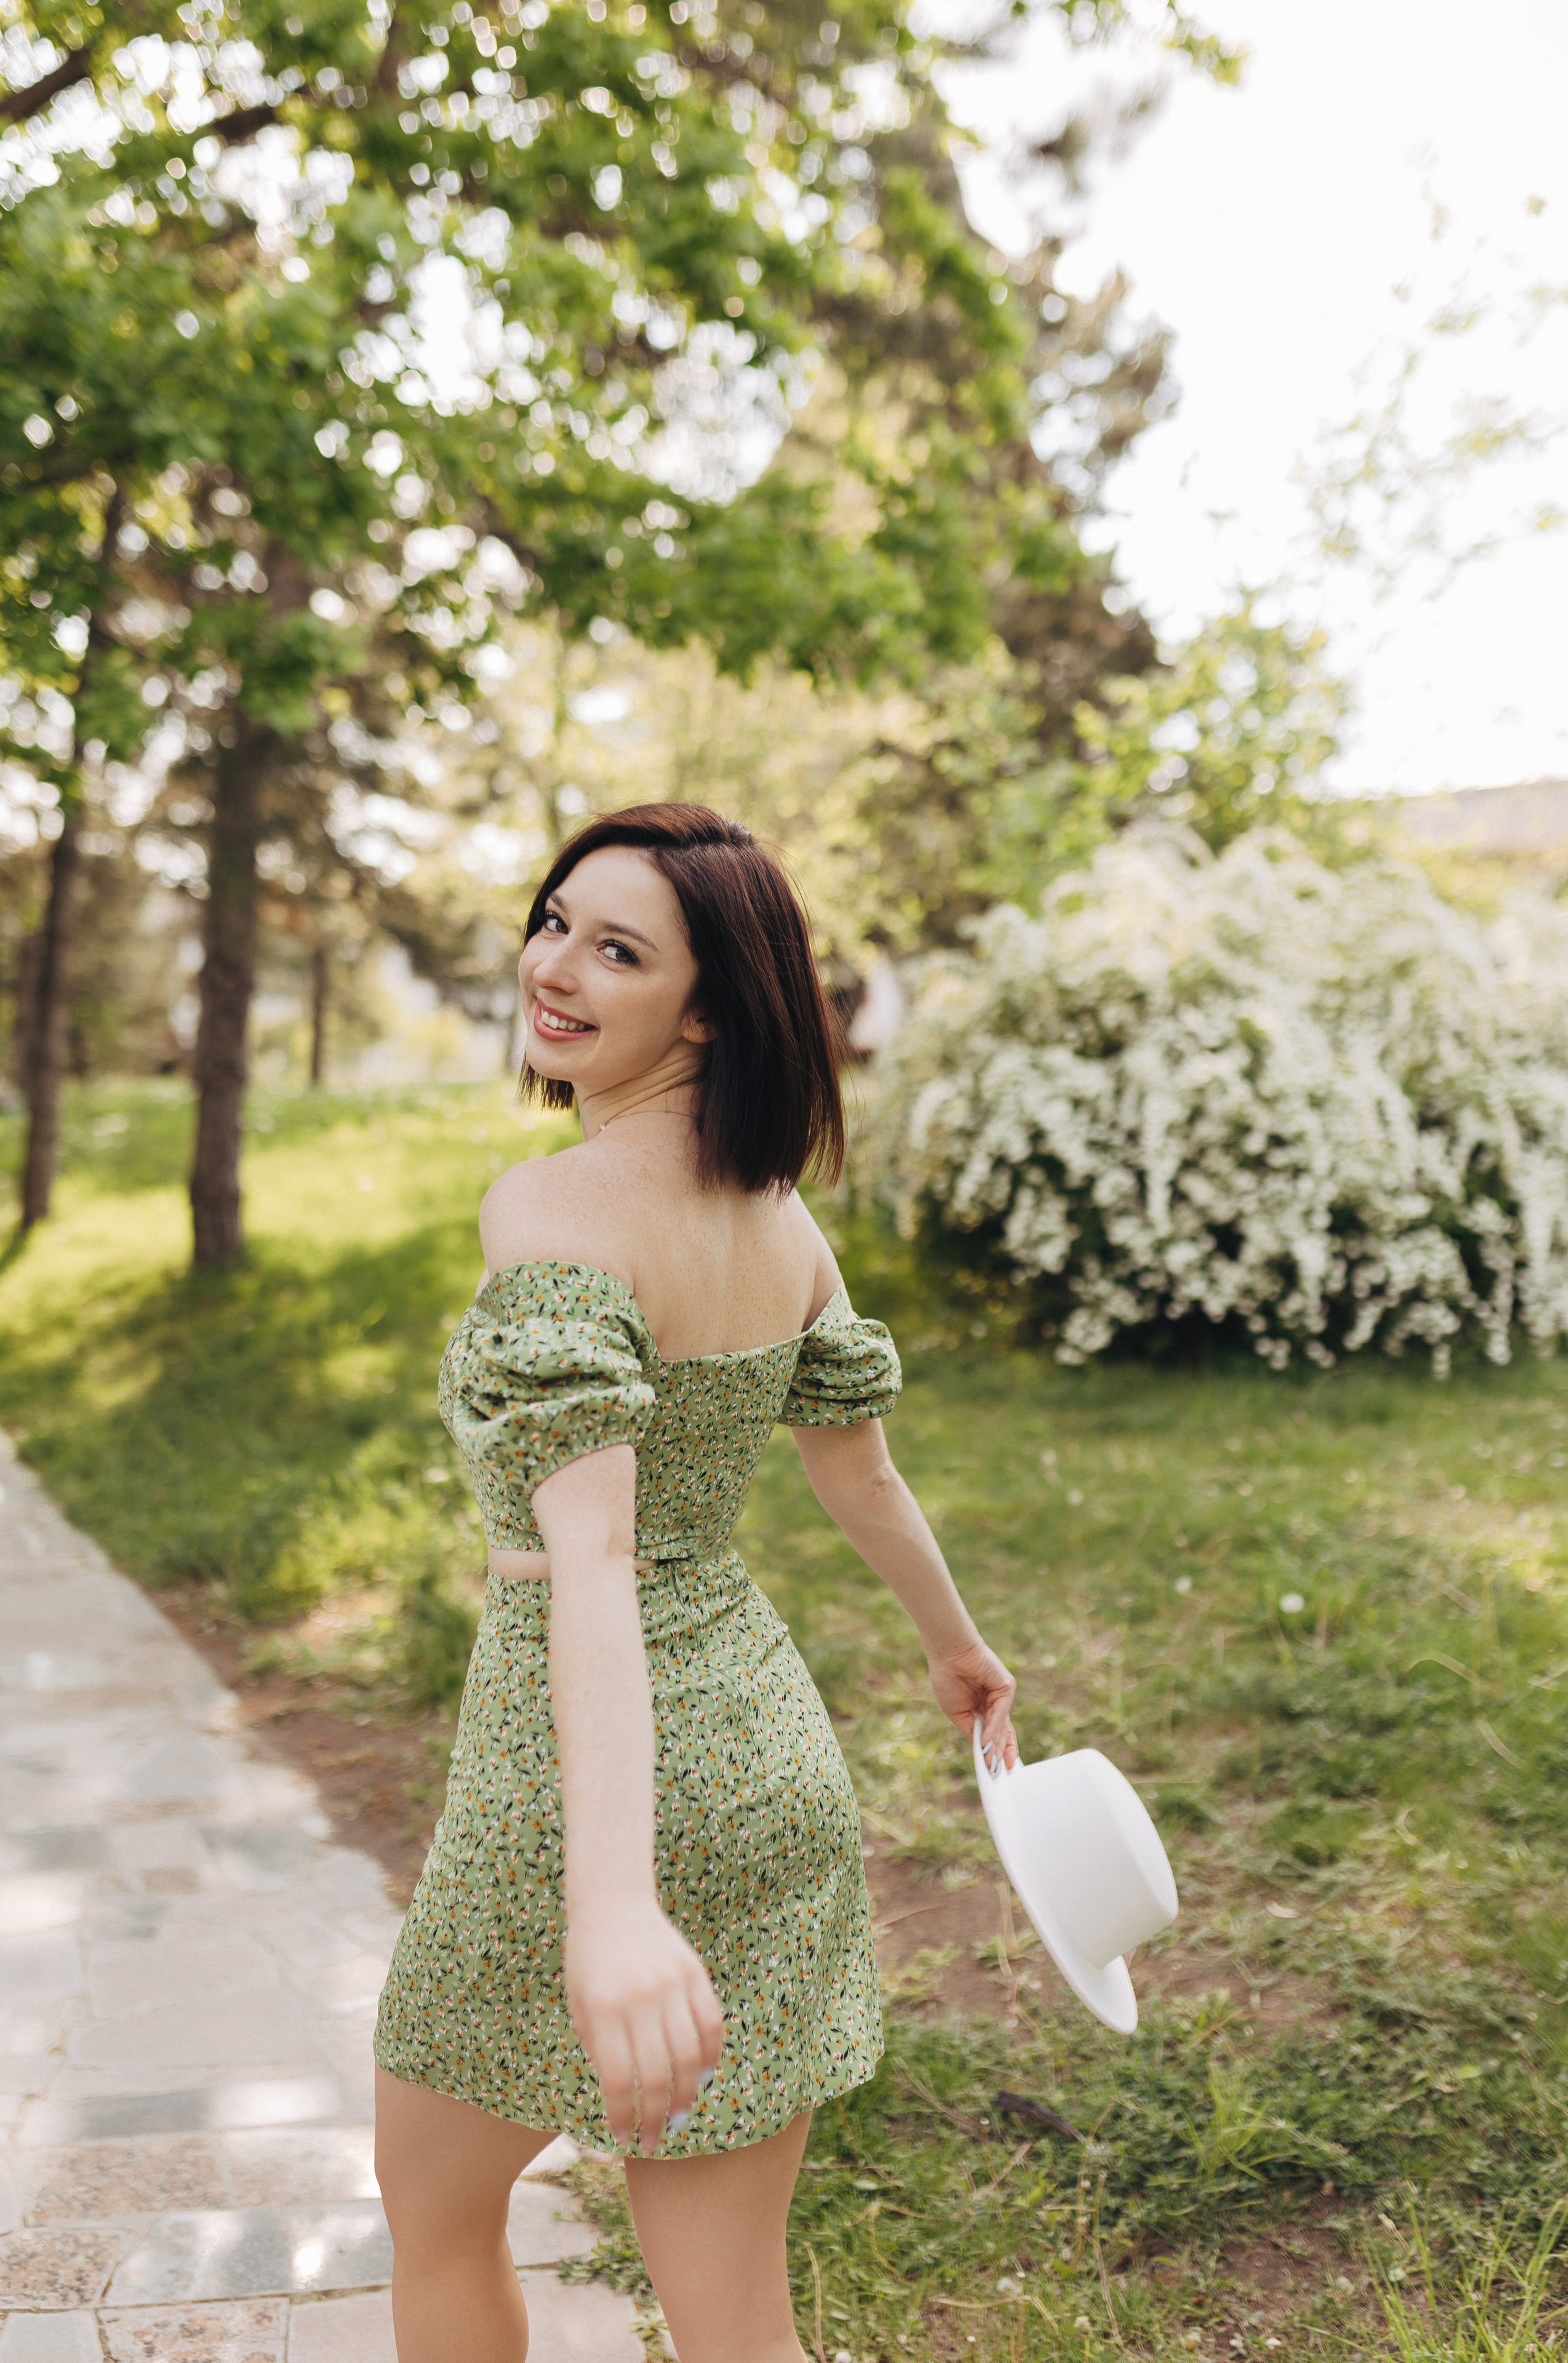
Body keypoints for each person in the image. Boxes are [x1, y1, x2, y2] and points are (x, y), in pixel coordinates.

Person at [373, 804, 1018, 2363]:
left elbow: (588, 1554)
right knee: (739, 2331)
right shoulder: (779, 1219)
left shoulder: (551, 1207)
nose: (558, 969)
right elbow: (857, 1473)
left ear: (710, 1005)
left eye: (617, 951)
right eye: (554, 922)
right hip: (767, 1758)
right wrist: (960, 1650)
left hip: (573, 1778)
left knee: (436, 2217)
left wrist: (611, 1902)